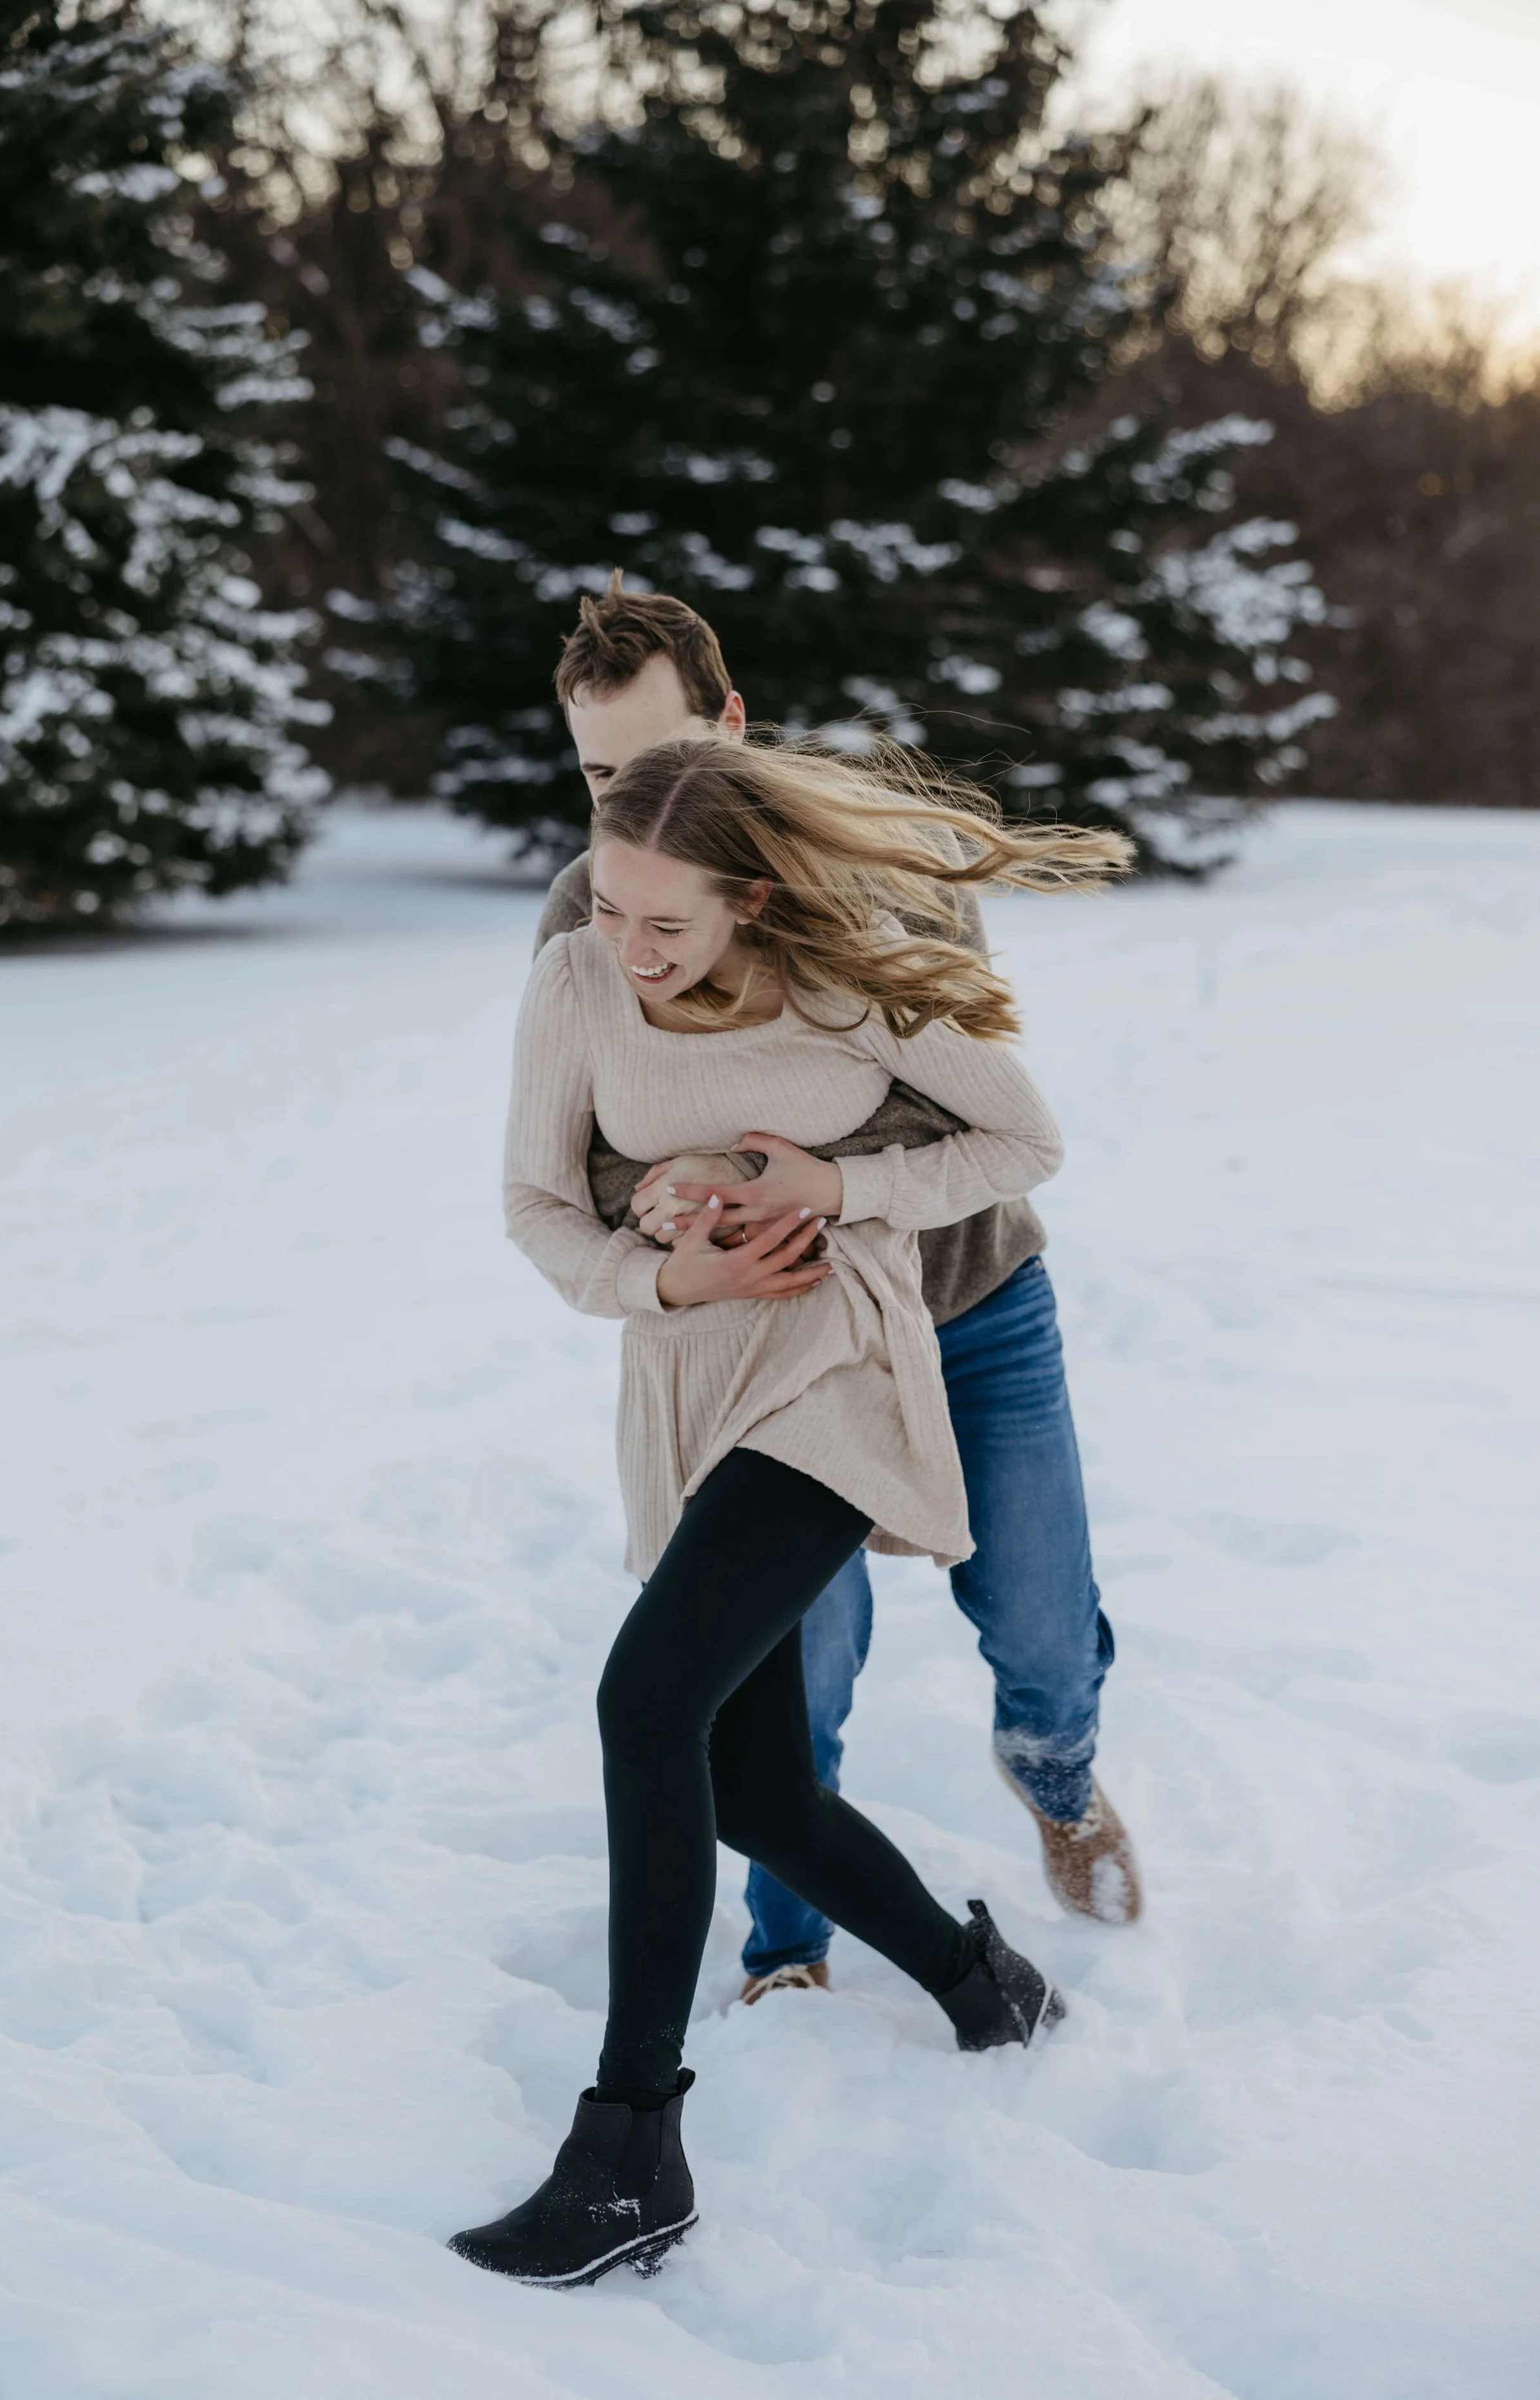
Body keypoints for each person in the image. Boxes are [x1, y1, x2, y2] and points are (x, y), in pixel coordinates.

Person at [449, 732, 1127, 2287]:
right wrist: (658, 1274)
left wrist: (838, 1189)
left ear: (751, 896)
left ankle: (628, 2148)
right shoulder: (573, 982)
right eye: (609, 910)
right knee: (754, 1787)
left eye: (663, 922)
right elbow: (536, 1206)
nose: (628, 946)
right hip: (688, 1381)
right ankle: (981, 1982)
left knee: (644, 1702)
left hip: (838, 1368)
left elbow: (1021, 1140)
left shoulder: (852, 977)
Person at [536, 581, 1143, 2008]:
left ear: (729, 727)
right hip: (785, 1350)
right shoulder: (598, 909)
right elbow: (593, 1151)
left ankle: (1057, 1778)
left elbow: (957, 1113)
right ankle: (789, 1943)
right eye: (596, 775)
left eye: (654, 760)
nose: (628, 803)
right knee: (784, 1673)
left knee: (1042, 1627)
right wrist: (669, 1203)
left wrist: (776, 1164)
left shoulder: (879, 881)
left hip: (968, 1299)